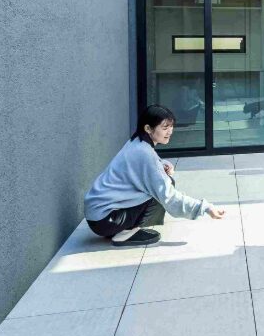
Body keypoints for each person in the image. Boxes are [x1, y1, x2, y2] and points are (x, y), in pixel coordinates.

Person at [83, 104, 226, 246]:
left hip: (97, 217)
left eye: (171, 126)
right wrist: (205, 207)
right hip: (107, 220)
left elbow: (140, 167)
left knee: (161, 182)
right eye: (164, 127)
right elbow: (169, 197)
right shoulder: (145, 153)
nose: (170, 131)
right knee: (161, 188)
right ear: (148, 128)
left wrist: (161, 164)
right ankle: (125, 233)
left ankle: (124, 228)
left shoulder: (135, 143)